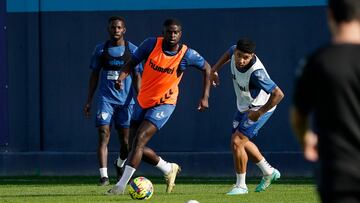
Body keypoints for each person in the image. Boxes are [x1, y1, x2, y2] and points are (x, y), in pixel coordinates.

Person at [107, 18, 211, 195]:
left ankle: (120, 186)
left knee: (139, 140)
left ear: (180, 34)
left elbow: (207, 68)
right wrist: (120, 78)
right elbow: (130, 63)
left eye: (176, 32)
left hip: (165, 103)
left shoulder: (186, 54)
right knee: (133, 145)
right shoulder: (150, 44)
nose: (172, 35)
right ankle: (167, 168)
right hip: (142, 100)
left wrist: (205, 97)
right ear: (163, 33)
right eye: (169, 32)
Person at [291, 0, 360, 202]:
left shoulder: (316, 62)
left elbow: (298, 116)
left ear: (330, 14)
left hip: (339, 175)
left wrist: (306, 139)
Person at [210, 38, 284, 195]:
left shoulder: (257, 74)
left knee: (237, 142)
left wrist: (260, 113)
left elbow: (279, 94)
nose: (241, 60)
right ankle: (269, 172)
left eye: (246, 57)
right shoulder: (233, 51)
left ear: (252, 56)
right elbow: (229, 51)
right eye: (239, 55)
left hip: (259, 107)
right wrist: (214, 69)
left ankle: (241, 186)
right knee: (240, 142)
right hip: (244, 105)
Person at [84, 16, 142, 186]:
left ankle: (119, 164)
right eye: (112, 27)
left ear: (124, 30)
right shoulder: (100, 50)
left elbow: (138, 76)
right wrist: (88, 100)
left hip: (127, 102)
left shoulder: (133, 50)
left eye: (119, 28)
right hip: (106, 99)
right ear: (108, 29)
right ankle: (104, 176)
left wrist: (140, 99)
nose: (115, 30)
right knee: (103, 134)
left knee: (126, 142)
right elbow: (94, 76)